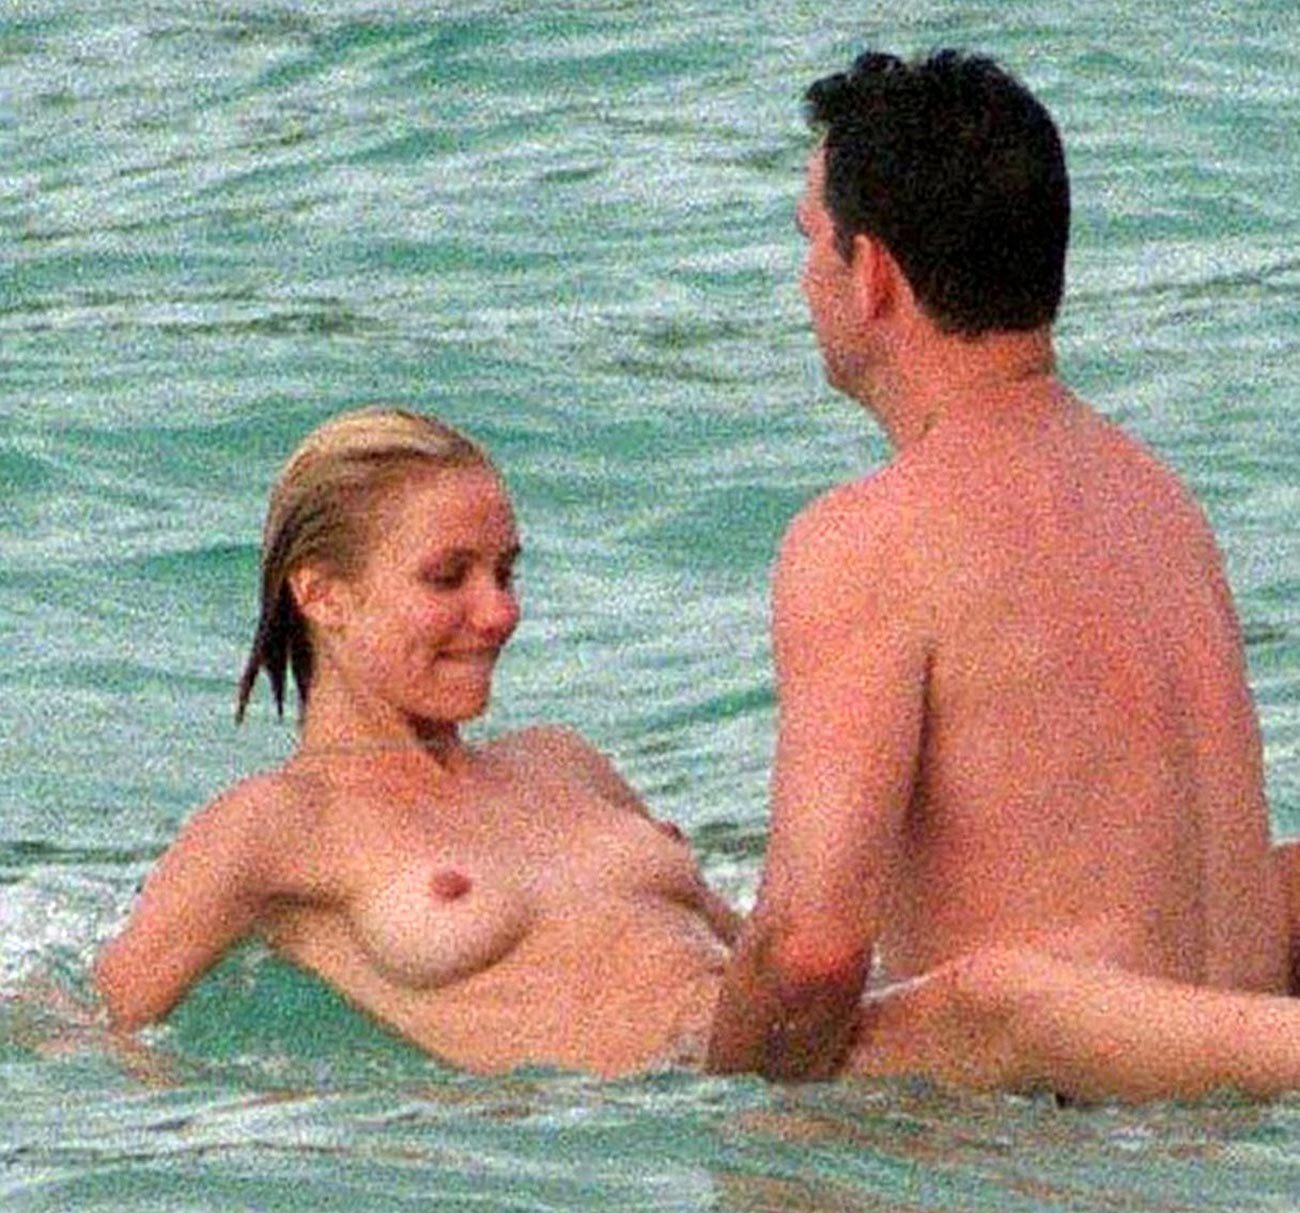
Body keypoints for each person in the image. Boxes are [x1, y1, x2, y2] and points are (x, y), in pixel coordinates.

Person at [91, 405, 1300, 1103]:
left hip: (771, 1053)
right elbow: (96, 1030)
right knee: (1003, 1001)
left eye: (507, 570)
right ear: (324, 594)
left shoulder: (561, 761)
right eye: (448, 576)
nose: (498, 610)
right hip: (688, 1098)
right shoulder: (275, 826)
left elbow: (774, 951)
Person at [707, 49, 1290, 1080]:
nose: (803, 280)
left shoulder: (871, 537)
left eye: (809, 242)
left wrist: (718, 1125)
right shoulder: (1160, 504)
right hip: (1219, 1141)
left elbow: (808, 953)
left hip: (1053, 1145)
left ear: (872, 273)